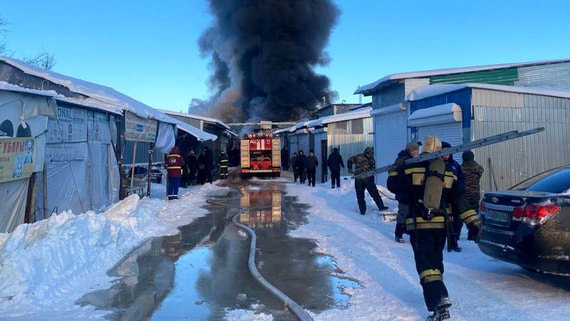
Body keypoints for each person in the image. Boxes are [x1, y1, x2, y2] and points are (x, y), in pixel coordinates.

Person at [402, 136, 482, 321]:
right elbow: (460, 200)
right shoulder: (449, 172)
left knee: (426, 266)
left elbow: (394, 185)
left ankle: (439, 302)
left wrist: (401, 163)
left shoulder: (410, 167)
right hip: (440, 226)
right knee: (435, 263)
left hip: (419, 224)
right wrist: (473, 223)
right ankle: (436, 292)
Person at [387, 141, 419, 243]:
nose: (416, 152)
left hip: (412, 191)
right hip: (404, 192)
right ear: (409, 150)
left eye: (417, 150)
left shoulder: (412, 160)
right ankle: (398, 234)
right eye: (414, 150)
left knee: (412, 212)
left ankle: (408, 230)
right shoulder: (402, 160)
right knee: (403, 213)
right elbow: (396, 176)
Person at [347, 147, 389, 215]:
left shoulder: (367, 159)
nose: (370, 154)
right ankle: (365, 210)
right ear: (367, 153)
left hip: (364, 179)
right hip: (362, 179)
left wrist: (350, 168)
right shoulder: (362, 157)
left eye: (371, 153)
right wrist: (350, 168)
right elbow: (350, 160)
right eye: (370, 153)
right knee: (365, 195)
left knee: (368, 194)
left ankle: (377, 207)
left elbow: (373, 171)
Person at [441, 141, 465, 252]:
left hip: (454, 197)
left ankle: (454, 241)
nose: (446, 155)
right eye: (444, 152)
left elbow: (461, 179)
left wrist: (459, 189)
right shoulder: (435, 164)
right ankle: (440, 242)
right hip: (441, 197)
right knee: (442, 220)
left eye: (448, 152)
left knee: (457, 220)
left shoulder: (455, 165)